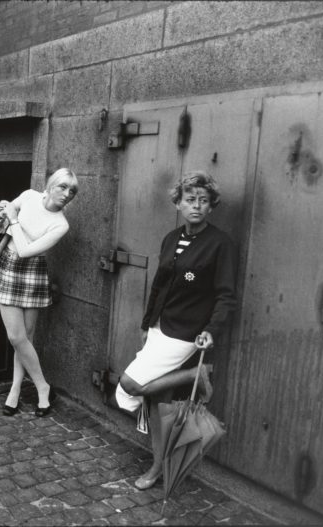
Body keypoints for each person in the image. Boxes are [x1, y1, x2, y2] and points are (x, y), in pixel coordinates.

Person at [115, 171, 238, 490]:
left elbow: (226, 294)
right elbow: (159, 284)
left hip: (186, 333)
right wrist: (146, 324)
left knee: (129, 384)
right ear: (178, 203)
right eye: (189, 200)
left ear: (211, 206)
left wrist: (212, 329)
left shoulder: (220, 243)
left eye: (203, 200)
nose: (196, 205)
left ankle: (196, 374)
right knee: (159, 402)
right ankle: (158, 467)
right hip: (159, 327)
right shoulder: (171, 238)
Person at [0, 168, 79, 417]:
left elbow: (26, 251)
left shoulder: (60, 224)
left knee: (26, 337)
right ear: (50, 185)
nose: (67, 194)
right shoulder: (29, 196)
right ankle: (43, 386)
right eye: (63, 187)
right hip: (9, 267)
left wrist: (14, 220)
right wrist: (6, 213)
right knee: (17, 337)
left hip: (33, 271)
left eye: (72, 191)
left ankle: (14, 390)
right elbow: (4, 215)